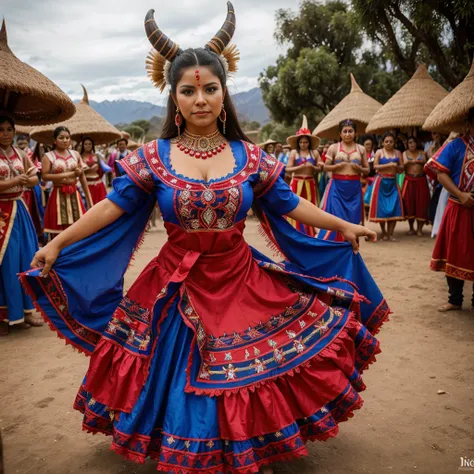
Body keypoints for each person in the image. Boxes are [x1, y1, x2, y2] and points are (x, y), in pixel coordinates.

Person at [20, 5, 390, 473]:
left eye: (210, 89)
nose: (201, 99)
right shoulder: (153, 156)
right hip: (174, 285)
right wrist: (59, 243)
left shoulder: (249, 155)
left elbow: (287, 204)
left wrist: (343, 226)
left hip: (241, 277)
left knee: (251, 369)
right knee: (178, 373)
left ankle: (250, 445)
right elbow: (110, 206)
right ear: (174, 97)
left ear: (223, 93)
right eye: (189, 90)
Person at [425, 108, 474, 312]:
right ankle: (455, 299)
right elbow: (440, 174)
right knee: (454, 252)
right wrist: (461, 195)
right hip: (458, 207)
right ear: (468, 124)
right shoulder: (455, 146)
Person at [0, 115, 42, 335]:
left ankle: (25, 312)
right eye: (1, 130)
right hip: (1, 213)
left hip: (19, 210)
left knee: (25, 259)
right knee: (4, 263)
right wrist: (17, 181)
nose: (6, 134)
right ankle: (4, 316)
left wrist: (29, 180)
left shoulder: (21, 153)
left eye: (9, 129)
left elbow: (35, 176)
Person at [319, 120, 369, 241]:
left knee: (353, 219)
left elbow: (367, 170)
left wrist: (359, 168)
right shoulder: (333, 148)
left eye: (350, 131)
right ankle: (335, 247)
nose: (347, 134)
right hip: (337, 187)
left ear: (355, 133)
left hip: (354, 189)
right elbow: (325, 167)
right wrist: (336, 167)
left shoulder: (361, 149)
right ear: (340, 134)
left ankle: (351, 248)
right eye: (345, 131)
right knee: (336, 218)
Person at [41, 126, 92, 238]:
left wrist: (89, 200)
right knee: (58, 233)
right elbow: (44, 176)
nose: (65, 140)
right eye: (61, 138)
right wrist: (71, 174)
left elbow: (82, 177)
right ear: (54, 141)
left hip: (75, 194)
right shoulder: (48, 156)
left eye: (67, 137)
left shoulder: (75, 154)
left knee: (78, 231)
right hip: (58, 195)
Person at [285, 117, 322, 236]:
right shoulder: (294, 153)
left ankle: (309, 230)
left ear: (309, 143)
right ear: (298, 143)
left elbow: (320, 168)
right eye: (301, 142)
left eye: (305, 142)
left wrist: (313, 167)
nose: (303, 144)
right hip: (297, 182)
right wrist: (300, 168)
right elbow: (288, 169)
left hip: (310, 182)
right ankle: (296, 230)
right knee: (295, 206)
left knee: (310, 206)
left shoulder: (315, 153)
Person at [369, 131, 404, 241]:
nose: (389, 143)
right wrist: (389, 165)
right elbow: (375, 166)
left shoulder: (398, 153)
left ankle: (391, 233)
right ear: (382, 142)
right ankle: (383, 232)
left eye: (391, 141)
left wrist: (398, 168)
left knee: (394, 206)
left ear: (394, 143)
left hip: (393, 182)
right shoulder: (379, 152)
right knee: (381, 208)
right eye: (386, 141)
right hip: (381, 182)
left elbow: (402, 167)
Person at [401, 136, 430, 236]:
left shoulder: (422, 152)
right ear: (407, 144)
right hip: (409, 180)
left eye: (413, 142)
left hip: (421, 180)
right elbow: (404, 162)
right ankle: (411, 228)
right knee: (409, 203)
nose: (412, 144)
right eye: (410, 142)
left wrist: (412, 162)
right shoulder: (404, 153)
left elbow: (426, 163)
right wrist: (416, 161)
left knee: (421, 203)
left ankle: (419, 229)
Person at [81, 137, 107, 204]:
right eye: (86, 144)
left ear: (92, 145)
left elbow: (102, 170)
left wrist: (98, 166)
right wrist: (86, 169)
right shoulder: (80, 157)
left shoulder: (97, 156)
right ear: (83, 146)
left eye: (89, 144)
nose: (88, 146)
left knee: (100, 204)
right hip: (86, 185)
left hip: (98, 184)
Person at [362, 135, 377, 216]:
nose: (369, 146)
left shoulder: (375, 155)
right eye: (367, 144)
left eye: (370, 144)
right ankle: (365, 212)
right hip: (363, 179)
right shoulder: (361, 155)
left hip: (374, 179)